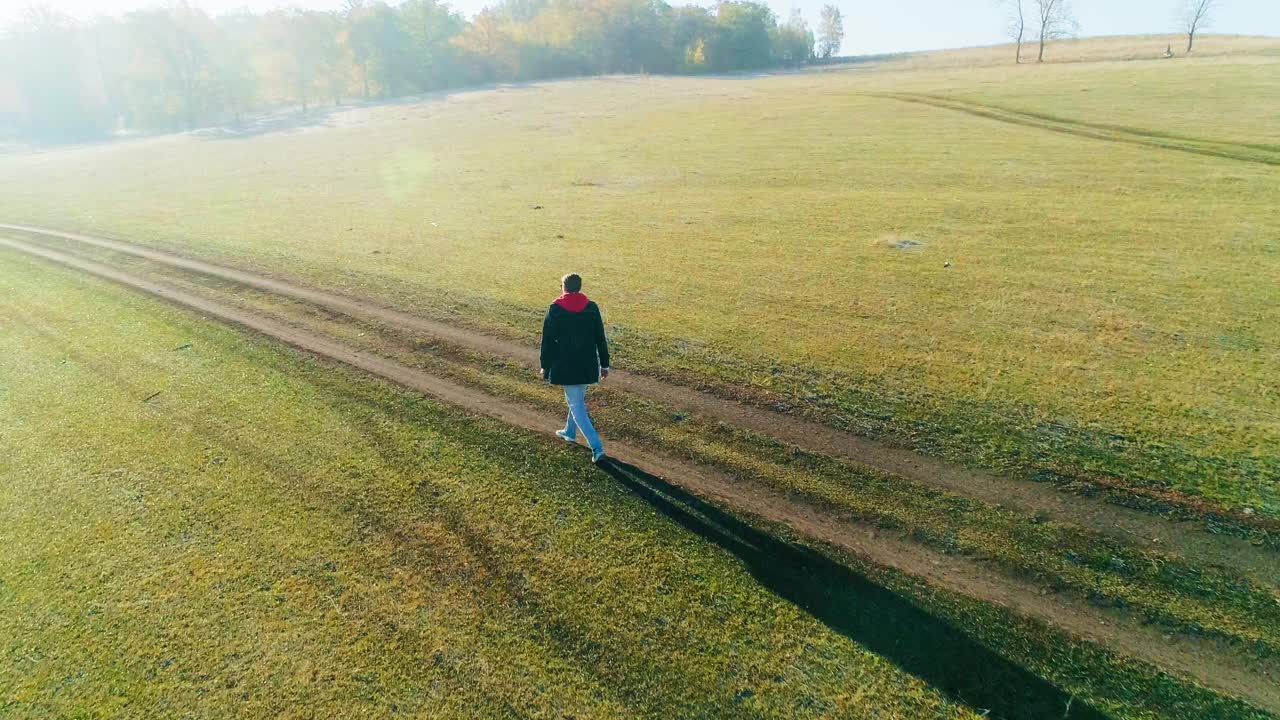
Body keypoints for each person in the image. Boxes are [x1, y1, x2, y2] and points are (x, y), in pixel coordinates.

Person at [539, 273, 610, 463]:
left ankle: (597, 447)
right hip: (587, 363)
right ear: (579, 287)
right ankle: (569, 431)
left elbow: (547, 341)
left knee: (576, 404)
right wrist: (604, 363)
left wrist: (545, 366)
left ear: (563, 287)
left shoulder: (555, 309)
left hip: (565, 364)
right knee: (576, 399)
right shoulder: (591, 307)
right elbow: (600, 338)